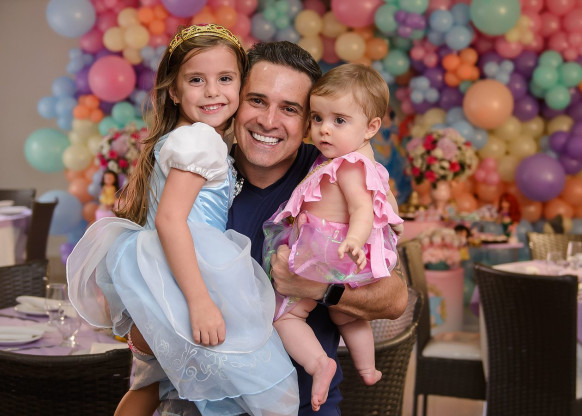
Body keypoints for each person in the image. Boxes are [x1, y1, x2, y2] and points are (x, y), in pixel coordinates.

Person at [130, 40, 409, 416]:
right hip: (203, 406)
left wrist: (317, 287)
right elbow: (142, 328)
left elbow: (394, 300)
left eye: (290, 109)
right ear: (236, 100)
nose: (268, 121)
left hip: (305, 407)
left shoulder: (332, 173)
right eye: (257, 100)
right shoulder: (199, 176)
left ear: (309, 120)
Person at [67, 24, 299, 416]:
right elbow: (170, 220)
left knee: (151, 384)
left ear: (241, 85)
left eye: (224, 79)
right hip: (190, 282)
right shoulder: (199, 140)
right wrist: (200, 302)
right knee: (270, 393)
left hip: (165, 279)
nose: (212, 92)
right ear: (174, 91)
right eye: (196, 80)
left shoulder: (187, 136)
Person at [262, 63, 404, 411]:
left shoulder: (349, 164)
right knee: (347, 316)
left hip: (326, 249)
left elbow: (362, 208)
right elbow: (375, 196)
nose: (324, 129)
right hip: (332, 249)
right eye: (317, 118)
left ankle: (318, 364)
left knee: (286, 316)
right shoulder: (340, 160)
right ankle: (367, 368)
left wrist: (355, 239)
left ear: (371, 127)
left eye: (339, 120)